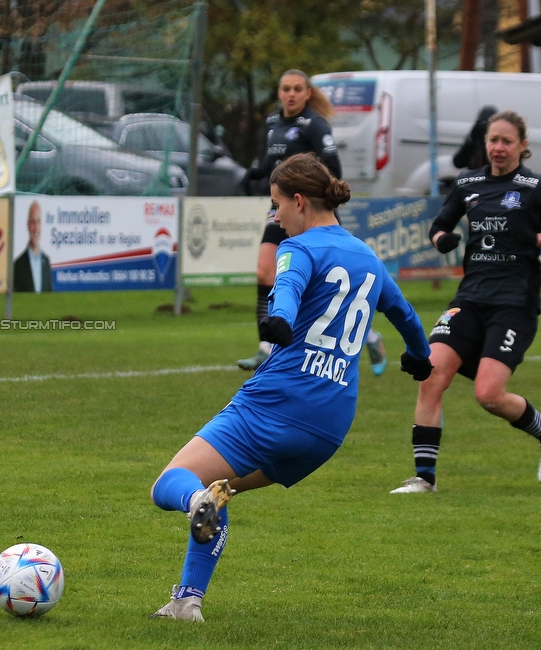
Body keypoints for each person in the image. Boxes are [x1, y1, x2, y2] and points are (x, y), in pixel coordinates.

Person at [149, 152, 431, 621]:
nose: (274, 216)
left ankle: (195, 502)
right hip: (329, 428)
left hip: (275, 406)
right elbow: (404, 314)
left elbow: (287, 289)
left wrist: (277, 319)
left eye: (276, 204)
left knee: (171, 486)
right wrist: (418, 358)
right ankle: (186, 602)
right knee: (221, 491)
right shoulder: (367, 256)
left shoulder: (297, 248)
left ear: (299, 201)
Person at [391, 110, 541, 494]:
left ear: (523, 146)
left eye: (507, 141)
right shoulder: (468, 182)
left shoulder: (533, 187)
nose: (498, 147)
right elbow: (439, 226)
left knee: (488, 395)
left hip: (514, 305)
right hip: (469, 300)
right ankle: (424, 479)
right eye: (493, 140)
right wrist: (442, 240)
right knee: (430, 375)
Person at [238, 69, 388, 375]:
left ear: (308, 94)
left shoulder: (316, 125)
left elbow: (333, 166)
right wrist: (256, 172)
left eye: (297, 89)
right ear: (279, 93)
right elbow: (270, 161)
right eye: (285, 89)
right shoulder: (271, 123)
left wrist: (316, 195)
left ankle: (370, 335)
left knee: (326, 284)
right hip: (280, 208)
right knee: (265, 272)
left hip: (313, 212)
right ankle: (266, 349)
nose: (291, 94)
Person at [12, 200, 52, 292]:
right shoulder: (18, 264)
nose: (36, 228)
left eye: (38, 221)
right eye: (33, 222)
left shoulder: (46, 261)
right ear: (28, 225)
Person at [452, 105, 498, 171]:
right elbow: (457, 163)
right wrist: (471, 140)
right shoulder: (475, 137)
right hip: (474, 178)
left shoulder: (498, 142)